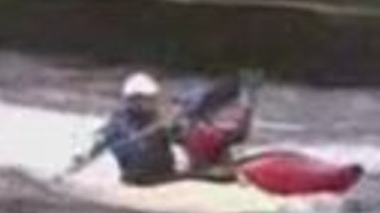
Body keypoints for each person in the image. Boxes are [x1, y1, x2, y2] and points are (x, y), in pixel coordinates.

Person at [73, 70, 259, 186]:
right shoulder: (117, 125)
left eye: (153, 98)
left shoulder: (160, 120)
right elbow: (97, 148)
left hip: (166, 176)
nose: (152, 103)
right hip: (142, 181)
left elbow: (188, 127)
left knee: (211, 162)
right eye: (147, 99)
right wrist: (80, 163)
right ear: (133, 100)